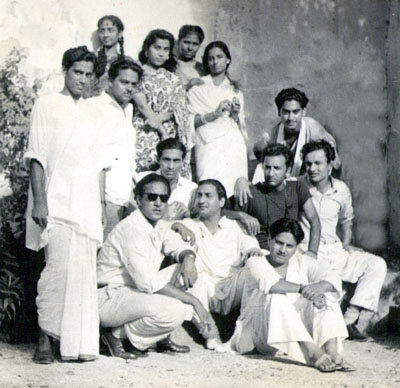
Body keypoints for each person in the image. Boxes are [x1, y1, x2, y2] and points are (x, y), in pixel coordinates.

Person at [25, 46, 107, 363]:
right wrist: (40, 202)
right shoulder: (47, 105)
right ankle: (44, 338)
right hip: (56, 201)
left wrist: (100, 207)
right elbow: (36, 157)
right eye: (77, 73)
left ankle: (77, 344)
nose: (83, 80)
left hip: (86, 204)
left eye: (89, 75)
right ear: (65, 71)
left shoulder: (94, 112)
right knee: (56, 270)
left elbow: (100, 164)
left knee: (83, 272)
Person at [97, 174, 212, 359]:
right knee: (177, 309)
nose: (158, 203)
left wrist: (188, 259)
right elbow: (147, 283)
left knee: (189, 273)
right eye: (152, 197)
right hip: (110, 296)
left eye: (163, 198)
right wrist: (194, 301)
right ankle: (113, 334)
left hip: (134, 294)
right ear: (138, 199)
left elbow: (179, 246)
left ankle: (136, 338)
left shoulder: (158, 225)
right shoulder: (131, 228)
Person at [227, 218, 354, 373]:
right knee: (276, 296)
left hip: (292, 332)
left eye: (289, 246)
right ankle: (313, 352)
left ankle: (332, 351)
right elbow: (271, 284)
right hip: (260, 333)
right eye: (279, 243)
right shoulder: (256, 261)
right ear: (269, 240)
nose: (283, 250)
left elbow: (332, 277)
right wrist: (304, 289)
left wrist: (318, 288)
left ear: (296, 248)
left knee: (325, 293)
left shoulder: (301, 261)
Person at [299, 140, 387, 340]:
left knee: (376, 264)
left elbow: (347, 220)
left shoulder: (341, 189)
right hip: (309, 252)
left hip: (335, 250)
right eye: (308, 163)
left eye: (318, 163)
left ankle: (351, 318)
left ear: (330, 165)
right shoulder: (298, 187)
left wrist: (347, 245)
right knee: (328, 284)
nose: (312, 168)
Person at [172, 179, 266, 349]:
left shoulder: (235, 226)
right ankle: (210, 334)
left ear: (221, 202)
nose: (201, 200)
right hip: (204, 286)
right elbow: (165, 232)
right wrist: (176, 224)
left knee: (256, 268)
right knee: (187, 273)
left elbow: (250, 247)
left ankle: (246, 331)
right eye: (199, 195)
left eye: (208, 196)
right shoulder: (188, 225)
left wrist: (253, 253)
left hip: (231, 285)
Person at [230, 144, 321, 256]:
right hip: (260, 254)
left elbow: (314, 220)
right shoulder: (252, 192)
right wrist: (242, 215)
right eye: (267, 167)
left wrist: (312, 251)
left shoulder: (297, 189)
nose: (271, 173)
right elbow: (220, 210)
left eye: (276, 168)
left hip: (289, 253)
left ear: (288, 170)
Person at [186, 41, 248, 198]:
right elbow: (190, 122)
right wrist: (214, 114)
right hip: (207, 143)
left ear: (227, 59)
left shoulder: (234, 89)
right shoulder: (198, 87)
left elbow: (240, 123)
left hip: (232, 143)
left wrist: (235, 114)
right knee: (208, 186)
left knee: (233, 189)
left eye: (219, 57)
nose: (215, 62)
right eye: (211, 58)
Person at [90, 57, 143, 239]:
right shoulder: (95, 107)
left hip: (124, 199)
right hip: (105, 199)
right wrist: (100, 204)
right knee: (100, 257)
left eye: (133, 84)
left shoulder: (127, 110)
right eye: (124, 82)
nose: (129, 88)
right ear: (110, 81)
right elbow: (95, 160)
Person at [249, 87, 340, 186]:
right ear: (279, 112)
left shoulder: (314, 130)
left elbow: (335, 165)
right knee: (260, 168)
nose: (291, 118)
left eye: (295, 112)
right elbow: (258, 150)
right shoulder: (273, 134)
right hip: (284, 184)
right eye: (286, 112)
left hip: (310, 182)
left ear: (303, 112)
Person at [133, 29, 192, 178]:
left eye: (165, 49)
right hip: (144, 131)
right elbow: (142, 105)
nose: (161, 53)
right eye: (157, 48)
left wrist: (162, 120)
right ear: (147, 50)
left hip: (168, 135)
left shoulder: (174, 79)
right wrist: (161, 130)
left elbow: (179, 109)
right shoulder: (137, 73)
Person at [135, 138, 198, 220]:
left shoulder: (192, 188)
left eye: (176, 161)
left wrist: (187, 215)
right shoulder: (141, 179)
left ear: (183, 162)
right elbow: (132, 215)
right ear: (158, 160)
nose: (171, 166)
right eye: (166, 160)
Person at [93, 15, 125, 95]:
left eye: (110, 30)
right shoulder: (92, 59)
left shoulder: (127, 61)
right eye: (102, 31)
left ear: (120, 34)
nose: (106, 35)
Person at [175, 24, 206, 90]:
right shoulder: (170, 64)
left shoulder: (202, 68)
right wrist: (187, 86)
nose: (190, 48)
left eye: (195, 44)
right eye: (186, 42)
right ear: (179, 42)